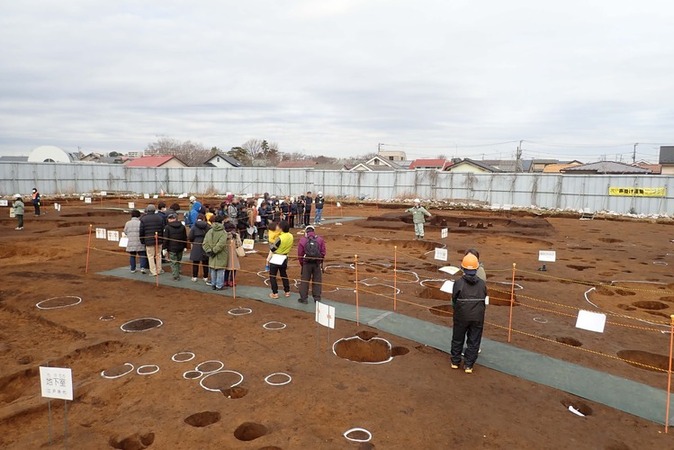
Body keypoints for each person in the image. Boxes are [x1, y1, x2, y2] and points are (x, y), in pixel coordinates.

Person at [450, 253, 488, 374]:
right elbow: (484, 297)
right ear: (477, 268)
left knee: (457, 338)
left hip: (461, 315)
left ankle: (455, 362)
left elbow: (454, 299)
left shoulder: (458, 283)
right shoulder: (482, 284)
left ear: (463, 268)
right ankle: (468, 365)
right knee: (474, 340)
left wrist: (457, 308)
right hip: (478, 316)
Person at [297, 225, 327, 304]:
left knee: (304, 281)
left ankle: (303, 298)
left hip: (306, 263)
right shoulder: (320, 239)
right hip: (317, 263)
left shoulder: (302, 240)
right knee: (317, 280)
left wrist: (302, 263)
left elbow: (300, 253)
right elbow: (323, 252)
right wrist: (319, 261)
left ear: (306, 232)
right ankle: (317, 298)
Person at [202, 215, 229, 290]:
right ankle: (219, 285)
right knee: (220, 269)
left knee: (213, 269)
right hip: (221, 254)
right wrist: (214, 251)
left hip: (211, 253)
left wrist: (209, 251)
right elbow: (221, 244)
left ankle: (213, 284)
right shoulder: (223, 232)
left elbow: (205, 242)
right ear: (222, 222)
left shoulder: (210, 231)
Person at [268, 220, 293, 299]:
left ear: (281, 228)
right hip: (284, 257)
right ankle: (287, 291)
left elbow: (272, 248)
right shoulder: (290, 236)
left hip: (276, 257)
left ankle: (275, 293)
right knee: (283, 274)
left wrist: (271, 242)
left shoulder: (280, 238)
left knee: (272, 276)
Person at [139, 204, 166, 276]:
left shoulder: (143, 219)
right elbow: (163, 229)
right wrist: (162, 238)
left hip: (148, 240)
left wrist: (142, 240)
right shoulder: (160, 218)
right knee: (158, 255)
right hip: (159, 239)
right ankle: (159, 269)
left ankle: (153, 271)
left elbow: (141, 231)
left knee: (150, 256)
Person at [123, 209, 149, 273]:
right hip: (140, 241)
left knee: (132, 255)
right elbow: (144, 231)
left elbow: (125, 231)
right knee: (142, 254)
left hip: (131, 241)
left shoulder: (127, 223)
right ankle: (142, 268)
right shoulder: (141, 222)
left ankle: (132, 269)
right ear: (139, 216)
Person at [164, 213, 187, 280]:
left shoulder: (167, 227)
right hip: (180, 247)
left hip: (172, 248)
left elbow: (166, 239)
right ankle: (178, 271)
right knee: (179, 260)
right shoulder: (182, 226)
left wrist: (164, 248)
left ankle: (176, 275)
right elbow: (184, 237)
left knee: (173, 262)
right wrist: (185, 246)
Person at [188, 213, 211, 284]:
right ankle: (205, 277)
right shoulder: (207, 226)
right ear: (204, 219)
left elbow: (190, 237)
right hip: (205, 244)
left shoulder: (194, 227)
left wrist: (193, 242)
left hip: (196, 244)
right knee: (205, 262)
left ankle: (195, 277)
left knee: (195, 262)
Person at [224, 221, 242, 287]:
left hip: (225, 253)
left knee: (226, 268)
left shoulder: (223, 235)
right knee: (233, 268)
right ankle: (232, 281)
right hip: (233, 253)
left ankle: (225, 281)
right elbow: (239, 244)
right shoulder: (236, 235)